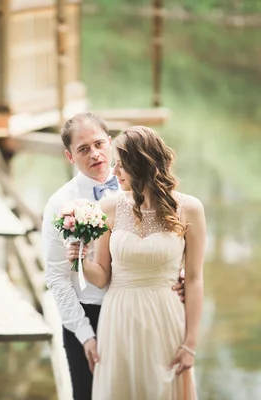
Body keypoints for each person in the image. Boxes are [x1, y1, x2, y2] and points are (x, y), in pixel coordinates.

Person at [42, 113, 186, 399]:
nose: (95, 154)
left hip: (139, 313)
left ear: (110, 143)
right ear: (70, 156)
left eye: (98, 144)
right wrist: (85, 335)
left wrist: (175, 274)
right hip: (90, 314)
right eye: (83, 149)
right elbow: (57, 278)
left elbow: (165, 240)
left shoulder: (144, 190)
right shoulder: (60, 203)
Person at [77, 126, 206, 399]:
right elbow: (101, 276)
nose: (114, 172)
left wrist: (190, 344)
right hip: (119, 316)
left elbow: (194, 280)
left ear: (143, 164)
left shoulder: (189, 208)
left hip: (165, 315)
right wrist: (78, 259)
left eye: (121, 166)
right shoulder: (109, 207)